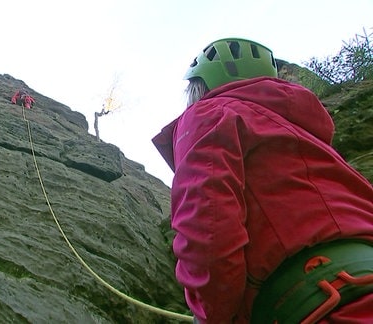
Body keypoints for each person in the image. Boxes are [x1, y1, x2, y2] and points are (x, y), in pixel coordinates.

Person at [152, 38, 373, 323]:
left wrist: (210, 315)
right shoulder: (307, 136)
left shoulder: (208, 113)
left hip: (326, 304)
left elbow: (208, 223)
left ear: (202, 88)